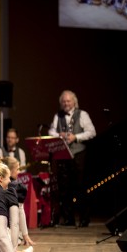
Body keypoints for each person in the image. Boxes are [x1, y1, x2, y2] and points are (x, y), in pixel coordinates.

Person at [48, 89, 96, 227]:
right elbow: (51, 131)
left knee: (80, 187)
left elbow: (92, 132)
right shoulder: (58, 115)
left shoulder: (83, 114)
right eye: (63, 101)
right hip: (63, 155)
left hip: (79, 154)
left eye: (68, 101)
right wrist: (60, 135)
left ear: (74, 102)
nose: (66, 103)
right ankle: (68, 219)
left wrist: (76, 137)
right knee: (65, 188)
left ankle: (84, 219)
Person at [0, 161, 35, 252]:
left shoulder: (14, 189)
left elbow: (16, 221)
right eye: (17, 169)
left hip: (5, 233)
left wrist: (14, 248)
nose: (18, 172)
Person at [1, 156, 35, 247]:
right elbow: (20, 211)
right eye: (17, 169)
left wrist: (25, 235)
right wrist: (25, 235)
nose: (19, 172)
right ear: (10, 171)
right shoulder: (17, 187)